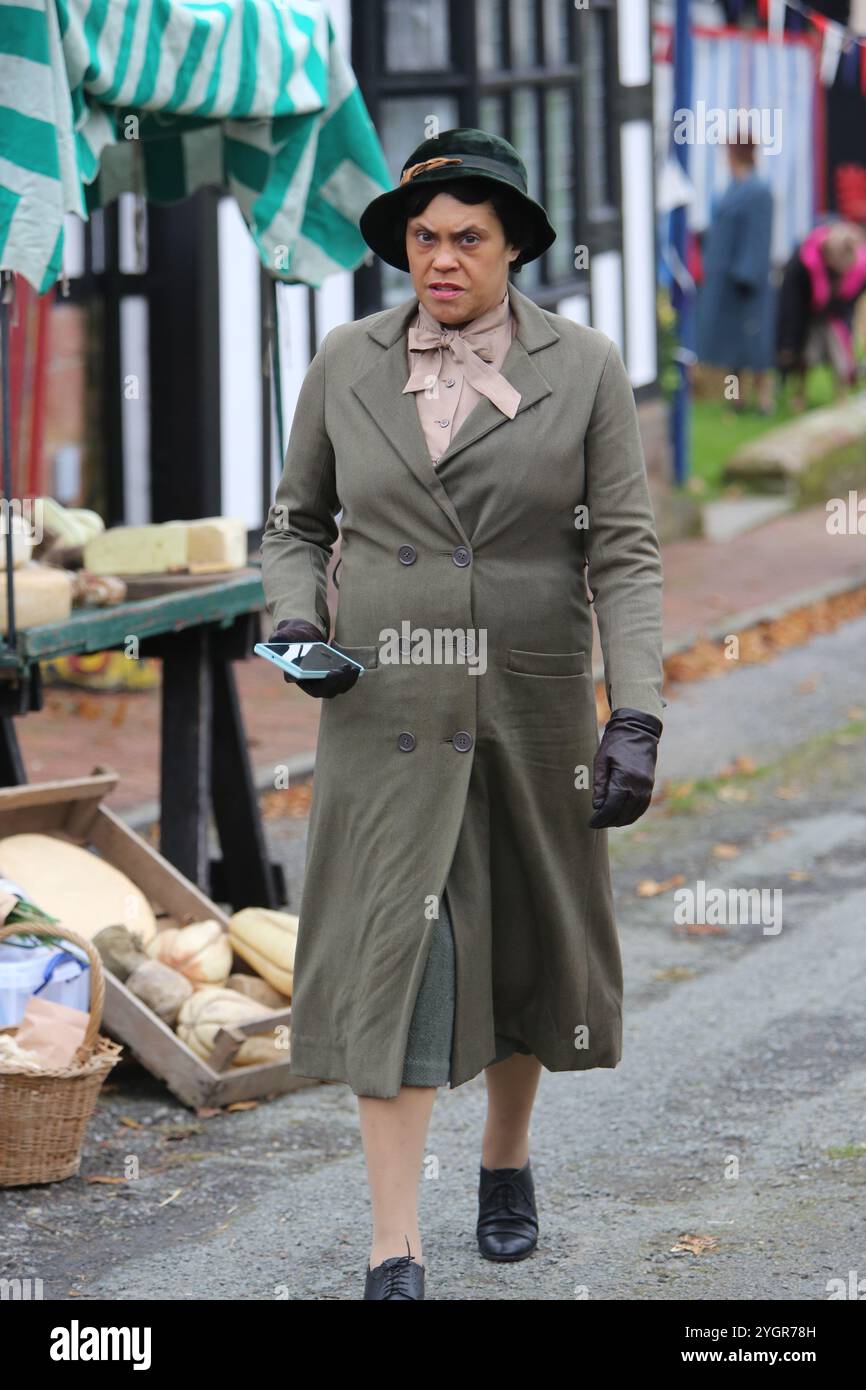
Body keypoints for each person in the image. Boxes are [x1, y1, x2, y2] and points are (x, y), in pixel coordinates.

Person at [260, 128, 666, 1301]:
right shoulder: (345, 361)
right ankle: (395, 1245)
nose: (439, 259)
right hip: (382, 701)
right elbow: (295, 522)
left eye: (466, 240)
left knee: (526, 944)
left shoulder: (583, 365)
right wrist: (296, 624)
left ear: (512, 248)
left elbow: (625, 552)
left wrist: (632, 709)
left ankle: (504, 1158)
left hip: (529, 703)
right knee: (400, 953)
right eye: (422, 238)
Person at [695, 132, 775, 412]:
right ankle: (737, 398)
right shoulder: (730, 188)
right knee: (733, 343)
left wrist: (748, 273)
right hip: (725, 279)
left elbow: (759, 235)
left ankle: (765, 399)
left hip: (746, 281)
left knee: (755, 341)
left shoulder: (759, 190)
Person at [776, 219, 866, 412]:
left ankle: (841, 399)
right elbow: (793, 304)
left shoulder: (859, 269)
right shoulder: (807, 260)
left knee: (841, 358)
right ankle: (799, 394)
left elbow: (850, 301)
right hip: (811, 315)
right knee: (807, 356)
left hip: (837, 316)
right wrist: (788, 343)